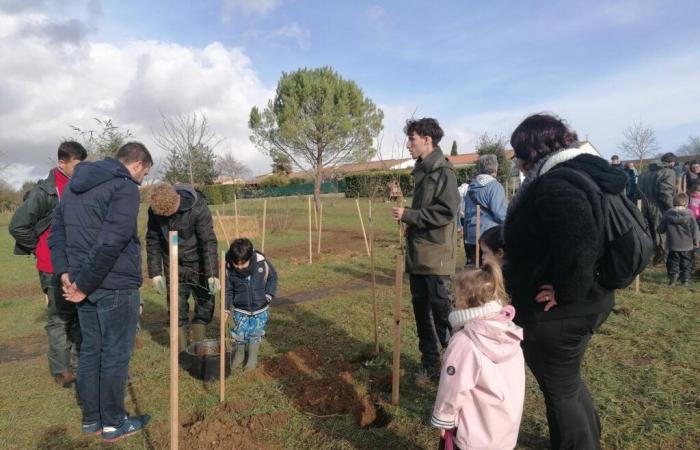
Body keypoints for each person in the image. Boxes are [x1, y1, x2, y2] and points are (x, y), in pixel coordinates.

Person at [503, 113, 625, 449]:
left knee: (559, 389)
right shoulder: (584, 172)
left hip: (559, 312)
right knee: (567, 383)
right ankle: (586, 438)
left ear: (533, 149)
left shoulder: (557, 183)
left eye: (518, 153)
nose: (517, 162)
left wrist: (566, 291)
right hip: (591, 299)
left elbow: (579, 240)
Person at [48, 142, 152, 442]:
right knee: (115, 354)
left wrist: (66, 273)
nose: (142, 180)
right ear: (137, 165)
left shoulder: (73, 186)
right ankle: (113, 423)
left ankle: (91, 420)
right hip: (113, 284)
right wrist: (82, 284)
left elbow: (58, 234)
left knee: (91, 350)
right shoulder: (124, 187)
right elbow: (112, 241)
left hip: (82, 281)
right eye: (144, 173)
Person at [9, 141, 87, 388]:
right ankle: (62, 369)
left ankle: (78, 364)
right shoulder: (44, 192)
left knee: (78, 314)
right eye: (76, 165)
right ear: (61, 163)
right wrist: (39, 247)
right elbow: (17, 226)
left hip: (78, 262)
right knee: (59, 317)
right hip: (52, 265)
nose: (80, 170)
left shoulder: (81, 186)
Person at [391, 118, 460, 383]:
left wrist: (409, 215)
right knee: (421, 311)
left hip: (435, 257)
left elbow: (446, 211)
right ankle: (430, 365)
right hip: (419, 254)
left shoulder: (444, 172)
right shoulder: (423, 171)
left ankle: (454, 366)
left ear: (427, 140)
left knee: (442, 313)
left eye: (412, 139)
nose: (409, 144)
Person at [431, 261, 524, 450]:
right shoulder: (509, 333)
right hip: (503, 433)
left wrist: (444, 420)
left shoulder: (465, 342)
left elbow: (453, 388)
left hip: (472, 436)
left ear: (462, 301)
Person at [146, 182, 219, 352]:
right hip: (172, 262)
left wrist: (212, 274)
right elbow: (153, 240)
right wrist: (155, 273)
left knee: (205, 303)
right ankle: (182, 351)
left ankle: (198, 345)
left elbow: (207, 241)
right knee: (176, 308)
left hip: (199, 261)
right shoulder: (155, 211)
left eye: (170, 213)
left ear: (177, 200)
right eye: (164, 215)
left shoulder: (198, 207)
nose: (168, 218)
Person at [224, 238, 278, 370]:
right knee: (239, 333)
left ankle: (252, 359)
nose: (239, 267)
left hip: (260, 309)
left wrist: (268, 295)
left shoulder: (262, 264)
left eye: (243, 263)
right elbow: (228, 290)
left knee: (255, 333)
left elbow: (273, 278)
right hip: (240, 310)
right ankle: (240, 355)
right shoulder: (229, 269)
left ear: (251, 257)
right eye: (236, 263)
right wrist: (226, 308)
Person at [462, 154, 507, 265]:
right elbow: (499, 213)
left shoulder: (471, 187)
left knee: (477, 271)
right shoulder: (495, 186)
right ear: (495, 168)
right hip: (489, 235)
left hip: (472, 234)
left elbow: (467, 213)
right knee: (491, 271)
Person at [636, 152, 678, 264]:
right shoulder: (668, 172)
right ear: (672, 162)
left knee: (647, 231)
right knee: (660, 232)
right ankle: (661, 256)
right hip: (658, 207)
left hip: (643, 206)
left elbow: (637, 190)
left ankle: (648, 255)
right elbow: (665, 193)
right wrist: (673, 208)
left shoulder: (644, 173)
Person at [658, 193, 699, 285]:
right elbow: (695, 229)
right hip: (687, 244)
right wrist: (696, 240)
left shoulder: (668, 214)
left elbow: (661, 229)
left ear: (673, 203)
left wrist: (659, 230)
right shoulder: (690, 215)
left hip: (673, 244)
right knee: (686, 262)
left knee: (673, 261)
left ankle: (673, 276)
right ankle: (685, 279)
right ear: (686, 204)